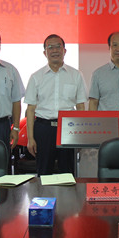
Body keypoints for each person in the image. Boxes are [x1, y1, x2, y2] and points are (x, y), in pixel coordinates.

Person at [25, 34, 88, 175]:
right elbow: (30, 109)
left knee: (67, 172)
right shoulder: (36, 77)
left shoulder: (76, 75)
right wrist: (30, 138)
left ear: (64, 50)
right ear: (45, 52)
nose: (54, 50)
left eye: (58, 46)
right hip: (44, 128)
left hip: (68, 128)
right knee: (44, 172)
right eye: (50, 47)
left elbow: (80, 107)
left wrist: (81, 136)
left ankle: (68, 191)